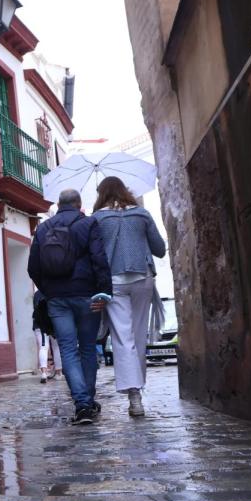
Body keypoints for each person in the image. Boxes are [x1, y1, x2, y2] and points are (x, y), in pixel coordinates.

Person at [28, 189, 112, 425]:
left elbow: (33, 267)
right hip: (87, 295)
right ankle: (88, 401)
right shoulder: (89, 223)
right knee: (87, 347)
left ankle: (82, 405)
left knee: (67, 349)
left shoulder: (44, 228)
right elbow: (99, 259)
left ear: (58, 204)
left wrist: (49, 290)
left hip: (58, 299)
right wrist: (105, 292)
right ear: (79, 204)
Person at [92, 177, 167, 417]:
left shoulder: (97, 219)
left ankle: (134, 397)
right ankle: (138, 393)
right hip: (142, 278)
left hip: (113, 282)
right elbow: (160, 249)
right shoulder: (141, 214)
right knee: (137, 335)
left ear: (101, 194)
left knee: (123, 338)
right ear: (125, 191)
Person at [33, 290, 62, 383]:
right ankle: (58, 373)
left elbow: (36, 309)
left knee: (43, 347)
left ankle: (44, 373)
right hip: (54, 323)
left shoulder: (37, 294)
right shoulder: (55, 291)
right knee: (56, 347)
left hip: (40, 324)